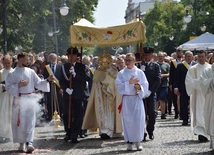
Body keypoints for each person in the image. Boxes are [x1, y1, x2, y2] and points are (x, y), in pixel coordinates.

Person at [5, 52, 54, 153]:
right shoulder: (12, 73)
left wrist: (47, 80)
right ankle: (21, 143)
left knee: (30, 121)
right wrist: (18, 85)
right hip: (19, 100)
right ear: (20, 59)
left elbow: (39, 83)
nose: (28, 61)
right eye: (26, 59)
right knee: (20, 123)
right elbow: (8, 88)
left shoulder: (31, 72)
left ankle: (29, 142)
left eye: (28, 59)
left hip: (30, 98)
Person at [82, 51, 122, 140]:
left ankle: (112, 130)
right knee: (102, 113)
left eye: (107, 61)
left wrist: (108, 84)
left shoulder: (114, 70)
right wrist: (101, 85)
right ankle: (103, 131)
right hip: (101, 96)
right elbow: (95, 83)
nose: (105, 64)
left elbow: (116, 82)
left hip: (111, 96)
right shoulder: (98, 71)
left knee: (111, 113)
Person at [115, 53, 148, 151]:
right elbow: (118, 85)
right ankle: (129, 142)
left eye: (129, 60)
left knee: (138, 121)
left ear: (134, 61)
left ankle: (138, 142)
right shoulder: (121, 73)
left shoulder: (140, 72)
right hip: (127, 100)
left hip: (136, 99)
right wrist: (129, 83)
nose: (127, 62)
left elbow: (145, 85)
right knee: (128, 121)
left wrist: (139, 87)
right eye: (126, 60)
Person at [60, 47, 89, 143]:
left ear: (76, 56)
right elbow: (61, 80)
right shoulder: (64, 67)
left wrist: (75, 74)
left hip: (78, 94)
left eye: (73, 55)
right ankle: (68, 132)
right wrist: (66, 89)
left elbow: (85, 78)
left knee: (78, 115)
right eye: (69, 55)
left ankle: (74, 134)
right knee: (66, 114)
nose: (70, 57)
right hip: (68, 94)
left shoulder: (81, 66)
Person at [185, 50, 210, 142]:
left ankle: (208, 132)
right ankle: (201, 133)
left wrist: (205, 83)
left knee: (208, 113)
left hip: (208, 95)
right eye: (199, 56)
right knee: (199, 113)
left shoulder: (210, 68)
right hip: (197, 95)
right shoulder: (193, 69)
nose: (201, 58)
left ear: (206, 57)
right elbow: (188, 82)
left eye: (202, 56)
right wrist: (197, 82)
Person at [142, 47, 161, 140]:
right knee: (141, 114)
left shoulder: (156, 66)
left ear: (152, 55)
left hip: (151, 93)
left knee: (152, 113)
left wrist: (150, 91)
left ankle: (150, 130)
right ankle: (142, 132)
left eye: (148, 55)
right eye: (145, 54)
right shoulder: (139, 65)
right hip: (140, 94)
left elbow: (158, 80)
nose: (147, 56)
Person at [174, 51, 196, 126]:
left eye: (190, 56)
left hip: (194, 87)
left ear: (192, 57)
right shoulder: (180, 66)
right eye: (187, 56)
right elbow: (176, 78)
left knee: (194, 103)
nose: (189, 58)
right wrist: (176, 87)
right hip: (183, 87)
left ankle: (194, 119)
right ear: (184, 57)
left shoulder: (195, 65)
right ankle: (185, 119)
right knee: (183, 104)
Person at [43, 53, 63, 121]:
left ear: (56, 59)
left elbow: (62, 78)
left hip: (58, 88)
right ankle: (50, 117)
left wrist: (62, 88)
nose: (53, 60)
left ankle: (59, 116)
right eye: (51, 58)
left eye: (54, 58)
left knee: (59, 102)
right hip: (49, 87)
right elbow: (44, 78)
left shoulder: (60, 67)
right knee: (49, 102)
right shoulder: (47, 68)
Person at [200, 60, 214, 150]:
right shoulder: (208, 70)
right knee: (212, 119)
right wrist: (212, 82)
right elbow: (202, 83)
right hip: (212, 98)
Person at [0, 55, 14, 141]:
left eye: (8, 63)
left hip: (12, 96)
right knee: (3, 115)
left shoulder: (15, 72)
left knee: (12, 115)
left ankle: (10, 134)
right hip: (3, 97)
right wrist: (2, 86)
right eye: (5, 63)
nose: (7, 65)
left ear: (11, 62)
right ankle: (2, 133)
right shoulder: (1, 73)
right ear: (2, 63)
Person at [169, 48, 183, 118]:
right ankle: (176, 111)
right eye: (178, 52)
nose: (179, 54)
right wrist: (171, 84)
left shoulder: (184, 61)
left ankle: (182, 111)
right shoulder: (173, 62)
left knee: (182, 97)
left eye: (180, 52)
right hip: (175, 81)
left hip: (182, 81)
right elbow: (171, 73)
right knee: (174, 97)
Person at [156, 52, 170, 119]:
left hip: (164, 84)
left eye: (161, 56)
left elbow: (170, 73)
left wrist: (163, 75)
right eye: (159, 56)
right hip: (156, 84)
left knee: (162, 99)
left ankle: (163, 113)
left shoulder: (167, 65)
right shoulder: (154, 65)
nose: (160, 57)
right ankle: (155, 113)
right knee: (155, 99)